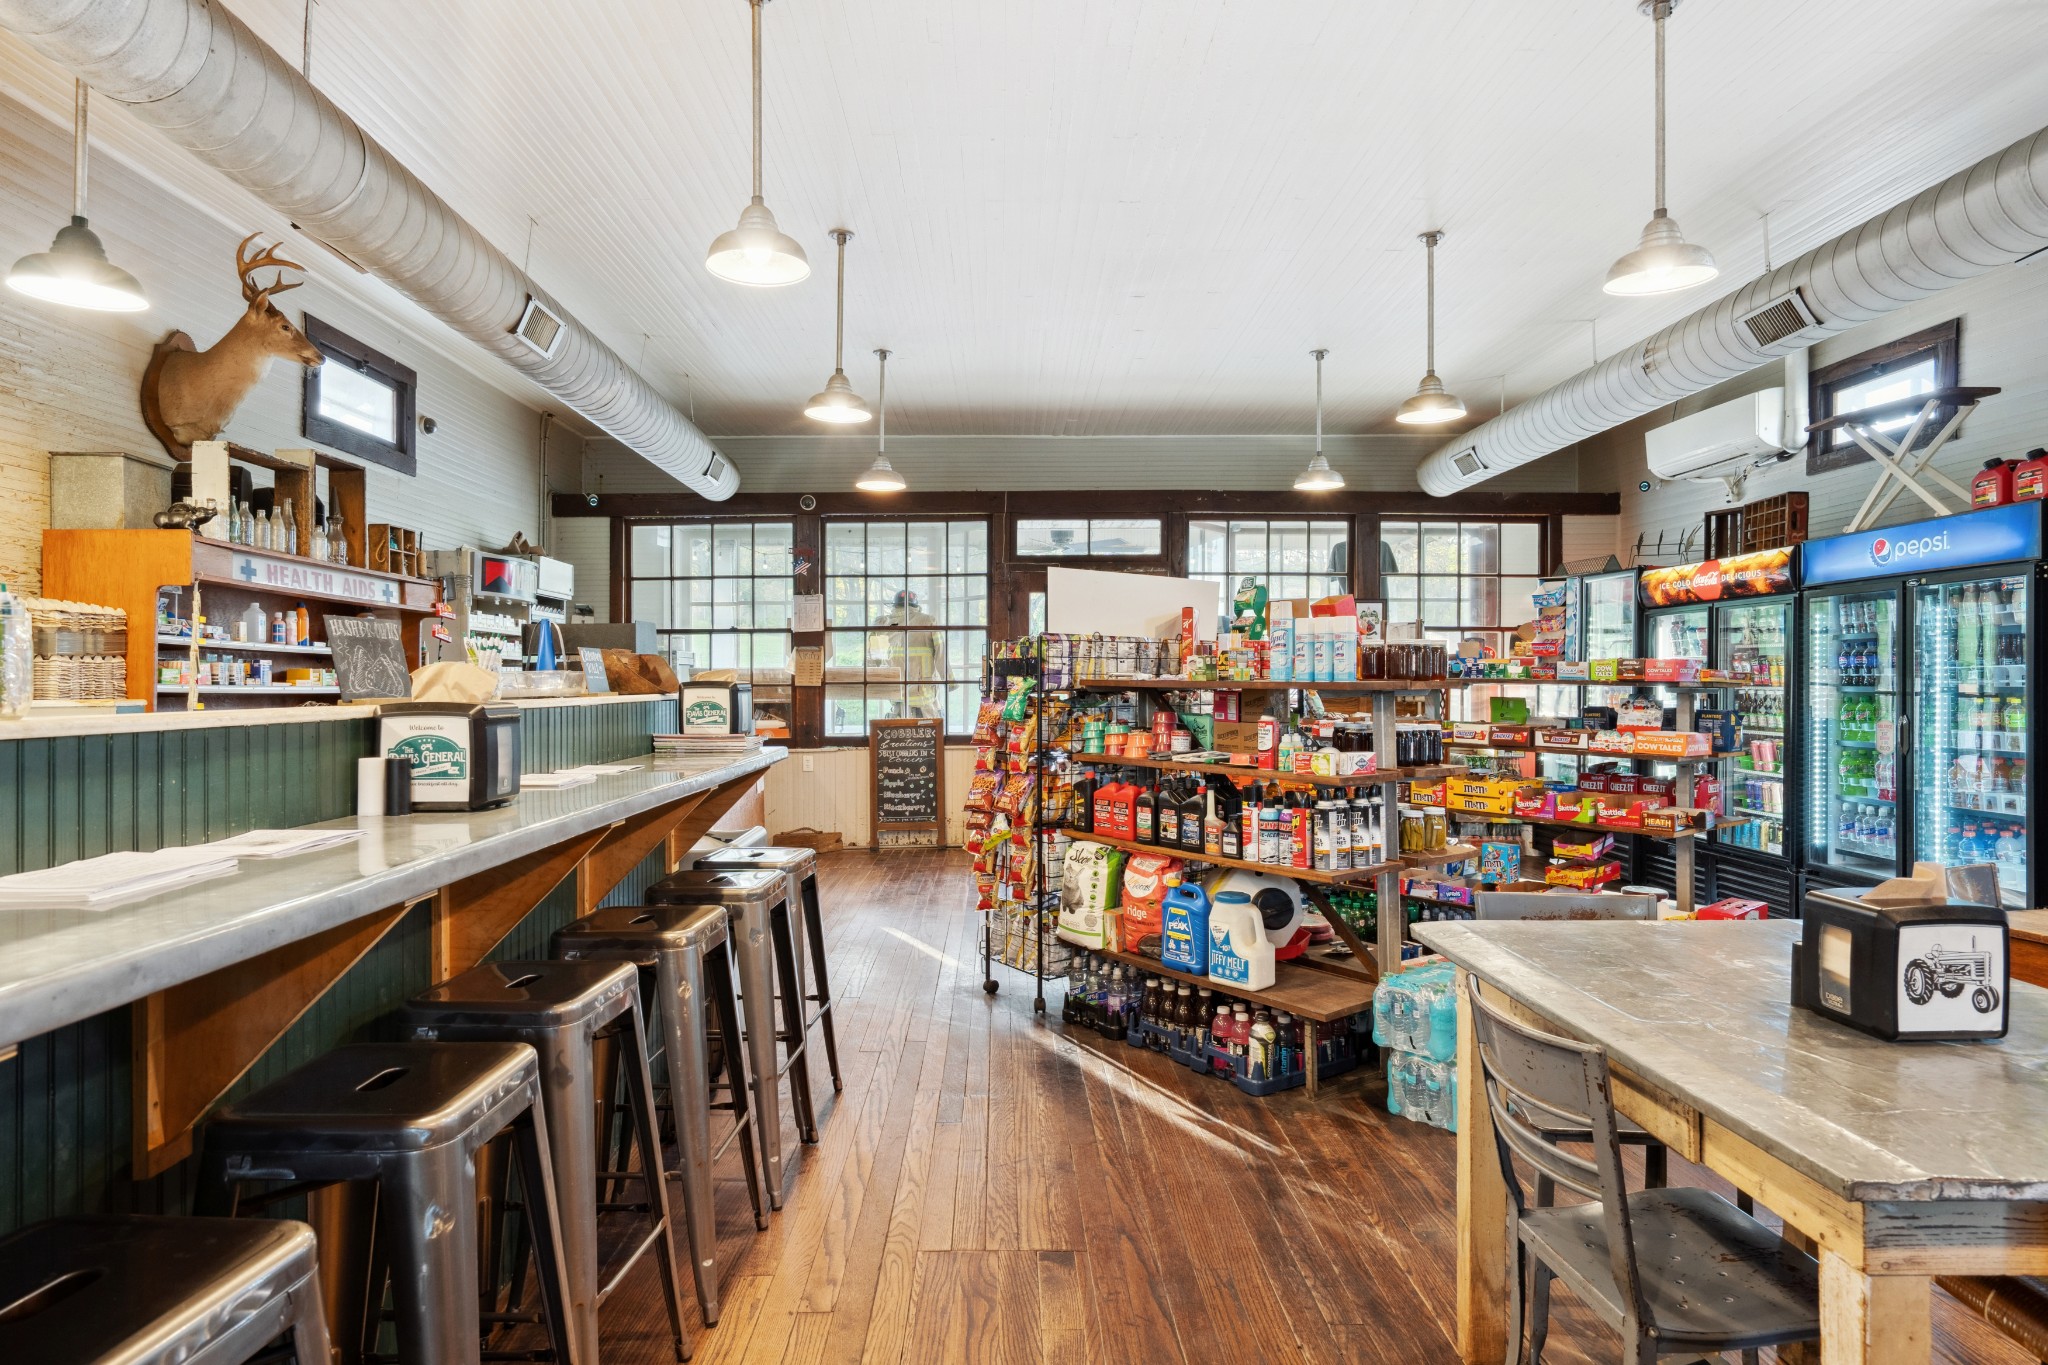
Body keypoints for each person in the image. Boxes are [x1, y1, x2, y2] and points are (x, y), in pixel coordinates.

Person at [872, 588, 944, 717]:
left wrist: (870, 680)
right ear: (915, 605)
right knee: (927, 723)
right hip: (923, 688)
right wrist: (949, 680)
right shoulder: (928, 621)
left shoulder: (882, 623)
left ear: (895, 605)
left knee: (899, 723)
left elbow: (873, 656)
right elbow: (941, 653)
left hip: (895, 686)